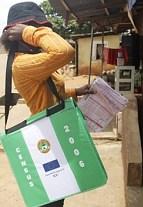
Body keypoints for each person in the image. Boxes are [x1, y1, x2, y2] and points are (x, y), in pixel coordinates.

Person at [0, 2, 94, 207]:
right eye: (27, 27)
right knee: (52, 196)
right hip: (49, 137)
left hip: (58, 131)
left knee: (59, 192)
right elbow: (65, 51)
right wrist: (30, 32)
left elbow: (49, 90)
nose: (37, 31)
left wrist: (74, 91)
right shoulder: (23, 64)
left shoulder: (36, 60)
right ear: (15, 36)